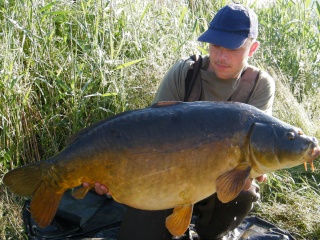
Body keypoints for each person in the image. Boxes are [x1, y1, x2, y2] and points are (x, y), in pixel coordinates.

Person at [86, 3, 275, 239]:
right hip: (170, 172)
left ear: (253, 48)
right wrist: (116, 175)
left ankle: (211, 233)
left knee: (244, 191)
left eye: (232, 48)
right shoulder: (186, 73)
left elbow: (254, 152)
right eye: (215, 45)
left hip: (219, 179)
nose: (220, 55)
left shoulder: (260, 86)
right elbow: (150, 134)